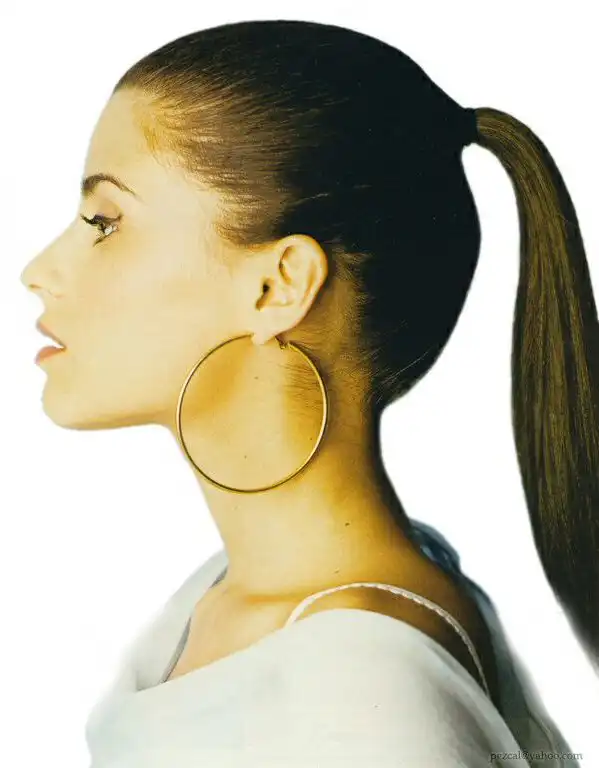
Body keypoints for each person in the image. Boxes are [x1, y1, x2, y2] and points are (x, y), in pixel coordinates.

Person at [20, 19, 597, 768]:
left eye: (105, 223)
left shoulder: (361, 696)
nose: (39, 270)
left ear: (279, 285)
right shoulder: (227, 602)